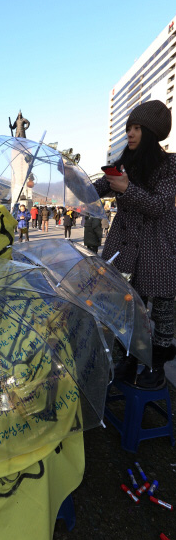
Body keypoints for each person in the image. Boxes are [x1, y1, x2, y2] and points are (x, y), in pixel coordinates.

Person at [94, 100, 176, 389]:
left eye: (137, 128)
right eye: (128, 128)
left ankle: (156, 365)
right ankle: (126, 360)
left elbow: (159, 206)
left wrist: (127, 189)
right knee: (126, 308)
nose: (130, 134)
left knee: (162, 312)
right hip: (125, 249)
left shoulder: (170, 165)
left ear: (152, 133)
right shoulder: (122, 164)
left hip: (159, 251)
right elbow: (94, 190)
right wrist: (72, 176)